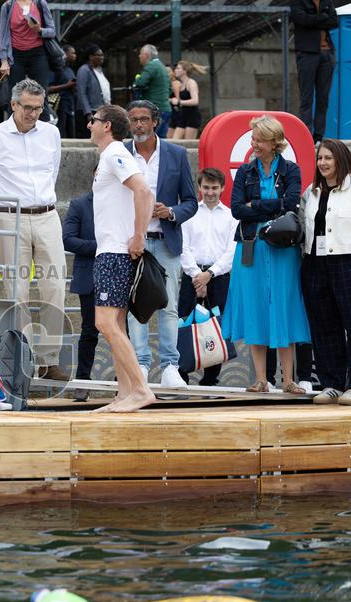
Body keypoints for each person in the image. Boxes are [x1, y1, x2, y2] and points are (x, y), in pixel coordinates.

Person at [0, 78, 68, 382]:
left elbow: (52, 173)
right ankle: (24, 357)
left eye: (38, 108)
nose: (33, 113)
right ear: (13, 104)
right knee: (16, 292)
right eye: (28, 107)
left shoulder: (52, 133)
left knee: (54, 287)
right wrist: (4, 214)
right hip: (9, 217)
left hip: (47, 215)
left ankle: (49, 359)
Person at [226, 115, 310, 394]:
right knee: (255, 308)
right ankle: (261, 379)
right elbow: (237, 209)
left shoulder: (291, 170)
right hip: (251, 244)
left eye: (259, 139)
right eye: (253, 139)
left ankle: (288, 380)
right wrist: (268, 206)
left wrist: (256, 204)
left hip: (282, 248)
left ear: (275, 142)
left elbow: (290, 202)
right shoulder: (245, 172)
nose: (254, 144)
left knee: (283, 307)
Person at [299, 140, 351, 406]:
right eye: (319, 158)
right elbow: (303, 226)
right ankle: (332, 382)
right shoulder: (310, 193)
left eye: (328, 158)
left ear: (341, 160)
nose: (322, 163)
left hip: (349, 263)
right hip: (315, 264)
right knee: (324, 326)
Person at [124, 100, 198, 389]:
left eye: (144, 119)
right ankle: (140, 365)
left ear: (156, 121)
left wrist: (170, 212)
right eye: (133, 120)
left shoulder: (176, 154)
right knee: (135, 307)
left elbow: (191, 202)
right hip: (133, 244)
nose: (139, 125)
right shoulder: (120, 154)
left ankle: (170, 366)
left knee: (169, 307)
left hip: (166, 242)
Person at [88, 104, 155, 412]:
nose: (89, 124)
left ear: (108, 126)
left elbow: (143, 191)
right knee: (114, 324)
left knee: (105, 322)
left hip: (115, 251)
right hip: (112, 250)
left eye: (94, 120)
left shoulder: (115, 153)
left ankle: (140, 389)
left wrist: (139, 236)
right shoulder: (112, 155)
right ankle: (125, 393)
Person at [177, 168, 237, 386]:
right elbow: (182, 248)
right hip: (192, 276)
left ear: (222, 188)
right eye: (206, 188)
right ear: (199, 188)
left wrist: (209, 274)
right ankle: (182, 376)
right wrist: (197, 276)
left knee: (216, 325)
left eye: (214, 188)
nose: (210, 192)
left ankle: (210, 380)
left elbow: (232, 251)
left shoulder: (231, 217)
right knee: (184, 323)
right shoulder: (190, 214)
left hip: (219, 276)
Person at [61, 188, 96, 401]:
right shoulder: (79, 204)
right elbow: (68, 240)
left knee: (122, 332)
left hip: (118, 275)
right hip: (90, 277)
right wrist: (101, 247)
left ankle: (125, 382)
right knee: (89, 330)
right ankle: (83, 381)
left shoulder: (121, 202)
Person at [290, 0, 338, 143]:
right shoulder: (297, 2)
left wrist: (315, 20)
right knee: (307, 97)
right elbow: (302, 20)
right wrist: (323, 17)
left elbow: (334, 21)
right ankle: (306, 134)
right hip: (307, 53)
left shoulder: (327, 1)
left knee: (323, 98)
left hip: (327, 53)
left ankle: (318, 135)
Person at [0, 0, 55, 109]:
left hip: (38, 53)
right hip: (15, 54)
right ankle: (14, 125)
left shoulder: (40, 3)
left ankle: (43, 124)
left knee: (42, 93)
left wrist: (39, 30)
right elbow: (3, 34)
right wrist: (4, 60)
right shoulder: (8, 6)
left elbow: (52, 31)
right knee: (14, 95)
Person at [132, 44, 171, 137]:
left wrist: (137, 79)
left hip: (155, 109)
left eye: (140, 54)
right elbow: (170, 89)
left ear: (146, 55)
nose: (139, 56)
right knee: (161, 139)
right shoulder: (161, 66)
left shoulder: (151, 66)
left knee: (152, 139)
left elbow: (140, 83)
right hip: (165, 108)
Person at [75, 44, 109, 139]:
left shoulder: (100, 70)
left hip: (100, 110)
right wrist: (88, 112)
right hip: (89, 112)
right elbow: (82, 93)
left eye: (102, 55)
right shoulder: (84, 70)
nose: (102, 57)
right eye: (99, 55)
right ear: (91, 57)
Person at [170, 60, 206, 140]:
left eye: (178, 68)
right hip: (183, 116)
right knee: (174, 140)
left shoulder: (191, 83)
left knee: (188, 143)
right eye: (176, 68)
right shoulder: (181, 84)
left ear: (185, 71)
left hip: (192, 117)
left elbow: (195, 101)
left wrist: (179, 102)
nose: (175, 70)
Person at [48, 44, 77, 138]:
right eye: (72, 53)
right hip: (59, 106)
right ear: (64, 53)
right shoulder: (54, 70)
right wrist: (67, 85)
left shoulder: (70, 70)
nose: (75, 55)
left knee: (71, 133)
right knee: (61, 133)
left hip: (70, 105)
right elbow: (47, 89)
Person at [165, 66, 180, 139]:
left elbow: (177, 99)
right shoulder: (168, 84)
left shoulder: (175, 83)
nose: (167, 74)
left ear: (173, 73)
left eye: (169, 72)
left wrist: (167, 99)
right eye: (165, 72)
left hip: (175, 111)